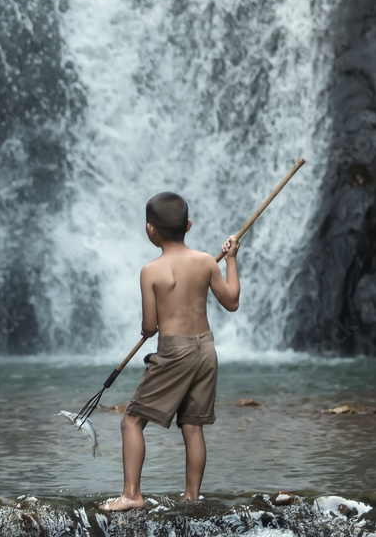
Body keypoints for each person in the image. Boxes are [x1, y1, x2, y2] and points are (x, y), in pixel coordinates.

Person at [100, 191, 240, 511]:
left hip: (175, 352)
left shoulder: (151, 271)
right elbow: (231, 301)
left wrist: (148, 329)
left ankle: (132, 495)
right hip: (205, 349)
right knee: (192, 425)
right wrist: (230, 259)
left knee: (131, 422)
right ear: (188, 225)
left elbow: (150, 326)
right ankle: (192, 497)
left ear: (150, 230)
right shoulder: (206, 261)